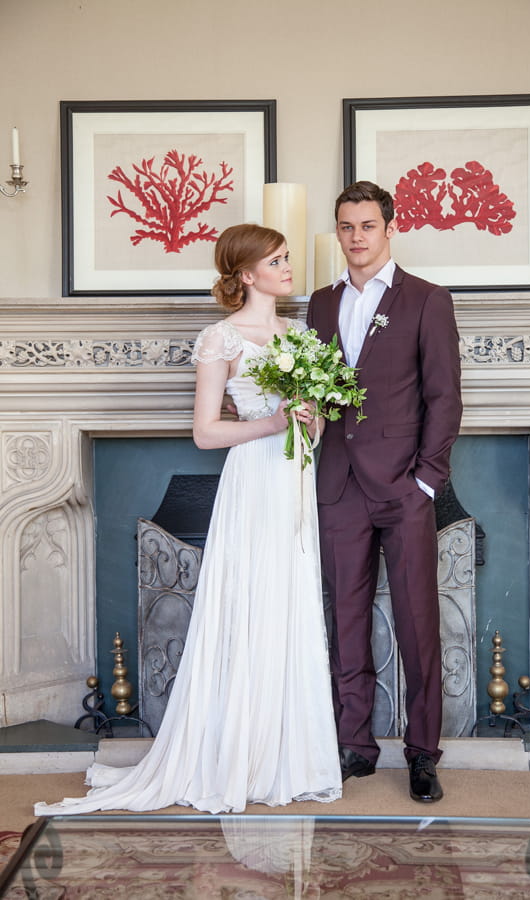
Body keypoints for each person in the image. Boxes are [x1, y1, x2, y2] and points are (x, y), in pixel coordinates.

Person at [35, 224, 342, 816]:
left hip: (297, 483)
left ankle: (288, 756)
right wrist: (274, 424)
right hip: (253, 480)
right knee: (249, 602)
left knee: (289, 604)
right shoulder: (220, 338)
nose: (287, 266)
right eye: (276, 260)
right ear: (247, 274)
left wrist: (310, 418)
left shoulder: (301, 335)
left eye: (286, 257)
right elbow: (206, 432)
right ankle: (234, 756)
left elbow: (317, 422)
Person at [307, 181, 462, 802]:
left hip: (403, 487)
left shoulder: (427, 299)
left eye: (367, 225)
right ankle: (356, 745)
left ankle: (423, 754)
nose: (357, 237)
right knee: (344, 619)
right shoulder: (319, 303)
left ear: (390, 227)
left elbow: (443, 397)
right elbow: (317, 392)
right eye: (346, 226)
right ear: (338, 231)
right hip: (338, 485)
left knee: (417, 624)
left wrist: (426, 479)